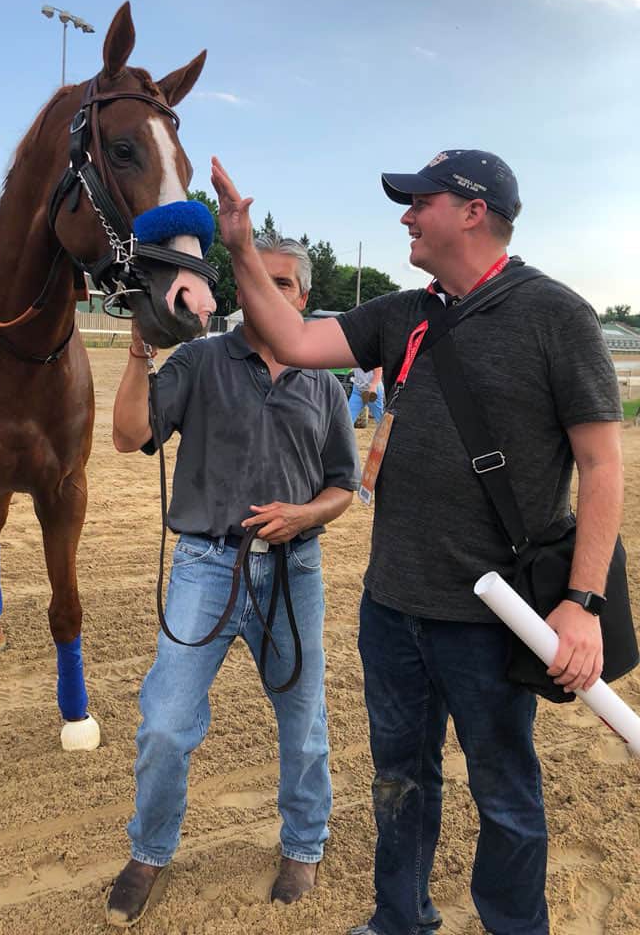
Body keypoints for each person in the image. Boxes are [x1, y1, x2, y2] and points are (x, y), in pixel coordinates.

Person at [211, 151, 623, 935]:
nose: (404, 215)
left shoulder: (556, 316)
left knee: (505, 793)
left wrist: (582, 603)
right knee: (399, 781)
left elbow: (602, 465)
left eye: (419, 202)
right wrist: (239, 249)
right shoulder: (402, 314)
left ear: (473, 211)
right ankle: (398, 919)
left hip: (496, 620)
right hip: (392, 607)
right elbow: (292, 338)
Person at [105, 233, 360, 927]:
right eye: (255, 280)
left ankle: (303, 844)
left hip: (293, 572)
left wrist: (306, 514)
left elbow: (344, 485)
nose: (267, 293)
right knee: (165, 725)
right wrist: (139, 351)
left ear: (303, 297)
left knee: (303, 723)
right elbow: (128, 435)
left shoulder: (325, 384)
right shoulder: (199, 360)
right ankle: (149, 852)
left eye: (282, 283)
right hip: (206, 565)